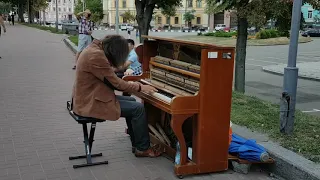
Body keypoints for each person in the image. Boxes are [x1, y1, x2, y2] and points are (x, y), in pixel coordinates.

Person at [72, 35, 163, 157]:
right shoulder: (96, 55)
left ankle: (137, 143)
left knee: (131, 100)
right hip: (90, 103)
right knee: (138, 109)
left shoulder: (93, 49)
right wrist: (140, 86)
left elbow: (106, 74)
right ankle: (143, 148)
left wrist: (126, 79)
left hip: (88, 97)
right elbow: (116, 84)